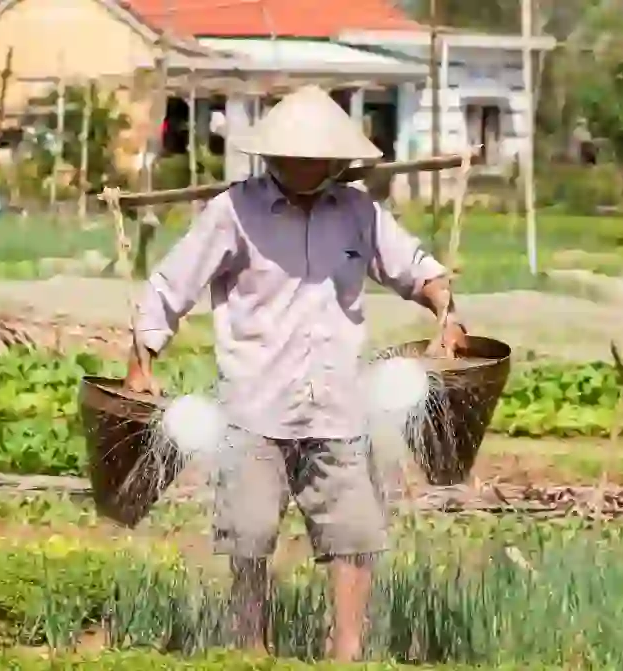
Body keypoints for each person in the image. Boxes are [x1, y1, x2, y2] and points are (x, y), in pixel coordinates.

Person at [124, 85, 466, 662]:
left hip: (337, 405)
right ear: (275, 157)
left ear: (336, 160)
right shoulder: (233, 212)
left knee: (355, 537)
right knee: (250, 537)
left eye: (321, 158)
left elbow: (416, 269)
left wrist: (446, 311)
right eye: (299, 156)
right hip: (255, 405)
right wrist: (141, 361)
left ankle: (347, 650)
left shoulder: (359, 213)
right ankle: (251, 648)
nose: (311, 166)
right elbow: (171, 285)